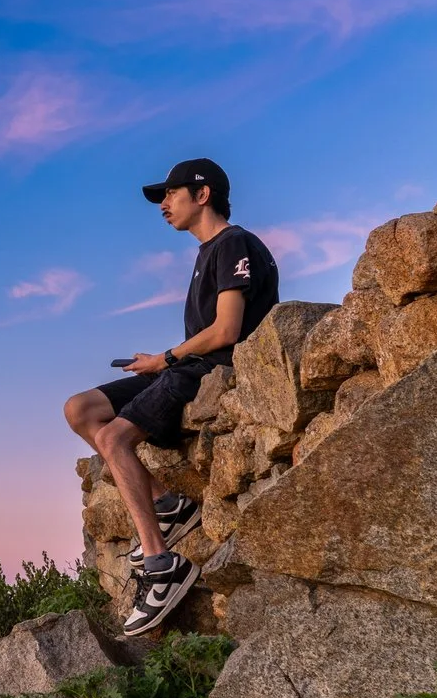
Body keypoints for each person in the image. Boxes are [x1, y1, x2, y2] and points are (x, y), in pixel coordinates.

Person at [62, 158, 279, 635]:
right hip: (184, 364)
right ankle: (167, 506)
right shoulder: (207, 252)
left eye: (171, 193)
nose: (163, 203)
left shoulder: (233, 243)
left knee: (116, 441)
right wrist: (161, 360)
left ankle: (162, 566)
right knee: (81, 409)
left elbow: (226, 331)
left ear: (202, 195)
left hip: (208, 370)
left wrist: (165, 358)